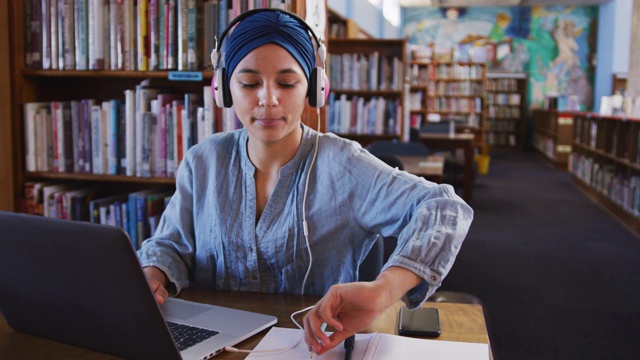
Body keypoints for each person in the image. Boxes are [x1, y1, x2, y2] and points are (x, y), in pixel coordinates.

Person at [137, 9, 473, 356]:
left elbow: (444, 208)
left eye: (287, 82)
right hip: (217, 350)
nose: (268, 99)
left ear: (315, 87)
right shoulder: (202, 162)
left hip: (314, 348)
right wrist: (154, 272)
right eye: (249, 83)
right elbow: (170, 245)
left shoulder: (344, 165)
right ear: (223, 88)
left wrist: (385, 289)